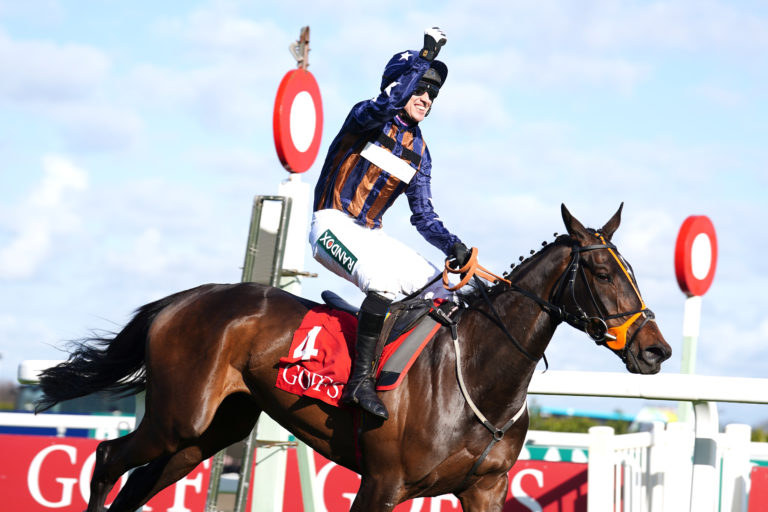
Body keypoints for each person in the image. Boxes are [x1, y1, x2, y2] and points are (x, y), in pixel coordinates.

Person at [309, 27, 470, 420]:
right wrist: (425, 57)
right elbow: (388, 103)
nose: (426, 98)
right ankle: (359, 382)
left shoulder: (421, 152)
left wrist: (453, 246)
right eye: (420, 88)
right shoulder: (366, 116)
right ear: (401, 84)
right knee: (383, 282)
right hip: (330, 226)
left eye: (432, 93)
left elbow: (424, 217)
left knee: (442, 290)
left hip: (371, 236)